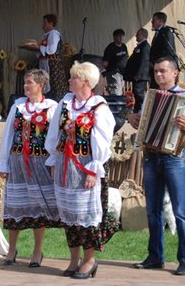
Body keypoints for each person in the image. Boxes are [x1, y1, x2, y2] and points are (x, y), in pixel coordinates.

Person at [128, 57, 185, 276]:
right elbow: (142, 124)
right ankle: (155, 256)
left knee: (180, 210)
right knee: (152, 211)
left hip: (175, 157)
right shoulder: (150, 97)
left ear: (175, 73)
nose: (159, 75)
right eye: (156, 72)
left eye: (163, 71)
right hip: (151, 156)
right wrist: (133, 118)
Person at [45, 61, 119, 279]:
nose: (69, 80)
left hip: (85, 167)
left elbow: (103, 142)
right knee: (68, 215)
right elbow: (53, 132)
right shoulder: (66, 103)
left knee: (85, 216)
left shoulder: (99, 107)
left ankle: (89, 260)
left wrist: (93, 170)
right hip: (64, 166)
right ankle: (73, 259)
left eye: (73, 77)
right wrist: (53, 160)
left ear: (86, 82)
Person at [0, 69, 59, 267]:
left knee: (38, 206)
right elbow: (8, 135)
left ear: (41, 85)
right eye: (25, 82)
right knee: (15, 205)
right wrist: (3, 162)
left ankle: (37, 252)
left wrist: (53, 161)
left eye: (29, 82)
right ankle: (11, 249)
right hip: (17, 161)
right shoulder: (18, 106)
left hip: (40, 162)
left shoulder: (52, 107)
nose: (25, 86)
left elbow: (55, 135)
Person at [23, 14, 68, 101]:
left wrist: (38, 47)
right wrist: (36, 48)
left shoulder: (54, 34)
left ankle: (55, 105)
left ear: (51, 23)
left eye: (45, 23)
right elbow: (43, 51)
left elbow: (51, 50)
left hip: (53, 65)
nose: (43, 25)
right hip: (47, 63)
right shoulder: (47, 35)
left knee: (54, 86)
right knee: (47, 84)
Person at [123, 28, 150, 112]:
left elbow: (144, 62)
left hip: (140, 76)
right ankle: (137, 110)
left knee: (139, 93)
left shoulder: (145, 46)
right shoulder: (140, 46)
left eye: (137, 34)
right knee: (136, 93)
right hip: (137, 76)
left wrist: (138, 75)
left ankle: (142, 109)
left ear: (142, 35)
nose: (135, 36)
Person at [149, 12, 177, 89]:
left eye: (154, 20)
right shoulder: (158, 33)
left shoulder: (166, 32)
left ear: (160, 21)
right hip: (155, 67)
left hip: (162, 67)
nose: (152, 22)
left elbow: (168, 51)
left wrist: (157, 63)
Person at [102, 29, 129, 96]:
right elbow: (105, 63)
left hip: (122, 73)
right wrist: (111, 70)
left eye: (122, 36)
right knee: (116, 93)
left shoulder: (124, 46)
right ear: (114, 37)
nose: (121, 38)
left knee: (120, 92)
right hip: (113, 74)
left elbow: (126, 58)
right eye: (119, 36)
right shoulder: (110, 48)